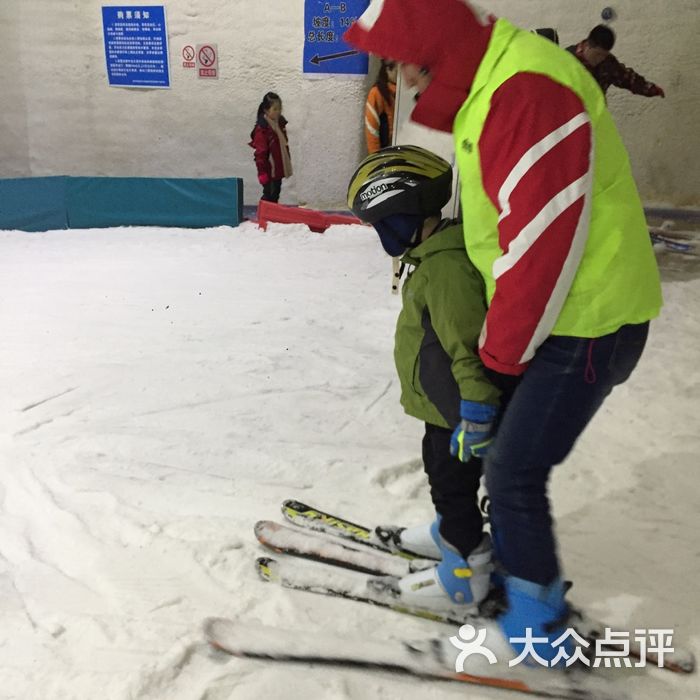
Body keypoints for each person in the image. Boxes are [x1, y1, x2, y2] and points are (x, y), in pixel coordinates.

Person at [345, 0, 663, 665]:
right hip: (558, 314)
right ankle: (465, 539)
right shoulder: (495, 81)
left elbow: (543, 246)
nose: (402, 82)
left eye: (406, 63)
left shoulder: (524, 89)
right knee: (478, 438)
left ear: (435, 46)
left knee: (513, 467)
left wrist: (496, 364)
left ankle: (536, 625)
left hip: (587, 321)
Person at [347, 145, 500, 611]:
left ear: (404, 213)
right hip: (443, 407)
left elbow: (466, 345)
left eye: (380, 225)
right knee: (441, 476)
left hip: (459, 411)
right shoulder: (430, 255)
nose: (380, 237)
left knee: (452, 486)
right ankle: (451, 533)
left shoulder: (446, 268)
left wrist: (475, 409)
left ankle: (464, 573)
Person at [567, 25, 665, 98]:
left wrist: (651, 89)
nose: (601, 58)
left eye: (604, 55)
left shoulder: (608, 62)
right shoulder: (566, 59)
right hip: (570, 118)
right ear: (588, 45)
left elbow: (627, 78)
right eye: (598, 54)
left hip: (595, 118)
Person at [249, 92, 293, 203]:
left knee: (275, 194)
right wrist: (262, 173)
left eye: (280, 108)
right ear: (266, 110)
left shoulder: (280, 124)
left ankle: (272, 216)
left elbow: (283, 145)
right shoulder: (263, 129)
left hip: (277, 169)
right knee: (269, 195)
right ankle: (264, 215)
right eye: (275, 109)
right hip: (268, 170)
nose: (278, 112)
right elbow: (260, 153)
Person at [364, 59, 398, 153]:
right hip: (384, 151)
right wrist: (375, 156)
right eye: (397, 71)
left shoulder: (404, 94)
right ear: (387, 70)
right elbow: (372, 128)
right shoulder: (376, 93)